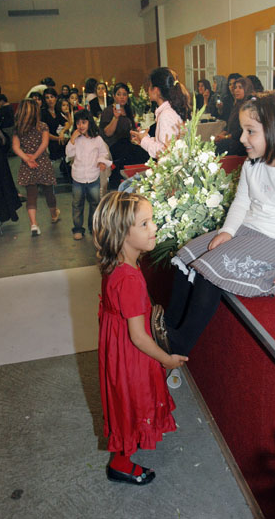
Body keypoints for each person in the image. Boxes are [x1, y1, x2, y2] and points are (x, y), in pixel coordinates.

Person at [151, 91, 275, 357]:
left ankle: (179, 343)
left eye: (250, 131)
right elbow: (241, 203)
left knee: (211, 271)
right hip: (249, 232)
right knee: (187, 255)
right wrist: (228, 231)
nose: (242, 138)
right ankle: (170, 326)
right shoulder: (253, 165)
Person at [93, 191, 188, 485]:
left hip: (115, 348)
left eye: (152, 221)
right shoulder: (131, 278)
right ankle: (120, 464)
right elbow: (138, 336)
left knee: (123, 402)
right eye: (144, 224)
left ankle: (123, 454)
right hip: (130, 355)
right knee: (133, 403)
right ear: (123, 234)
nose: (154, 228)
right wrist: (166, 359)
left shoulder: (117, 265)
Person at [12, 99, 60, 236]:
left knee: (31, 196)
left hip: (27, 166)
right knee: (48, 192)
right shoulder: (43, 126)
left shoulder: (18, 128)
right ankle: (54, 214)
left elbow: (15, 147)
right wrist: (35, 157)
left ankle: (34, 224)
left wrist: (27, 158)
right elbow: (45, 144)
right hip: (43, 163)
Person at [66, 109, 112, 240]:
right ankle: (78, 228)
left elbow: (103, 153)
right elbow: (69, 154)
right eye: (78, 123)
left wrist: (102, 162)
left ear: (89, 123)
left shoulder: (97, 139)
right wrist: (72, 139)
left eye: (83, 122)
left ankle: (93, 227)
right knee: (77, 204)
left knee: (95, 203)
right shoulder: (76, 140)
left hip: (93, 177)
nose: (80, 126)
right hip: (78, 178)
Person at [130, 67, 190, 159]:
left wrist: (144, 139)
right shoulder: (171, 109)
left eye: (150, 86)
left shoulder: (166, 115)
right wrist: (143, 139)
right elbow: (166, 143)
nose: (148, 90)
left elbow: (165, 152)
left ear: (156, 90)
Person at [99, 83, 149, 189]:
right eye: (119, 94)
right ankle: (123, 182)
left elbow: (131, 129)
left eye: (124, 94)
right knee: (131, 154)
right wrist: (115, 118)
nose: (122, 97)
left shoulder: (128, 110)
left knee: (145, 152)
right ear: (114, 96)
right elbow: (108, 133)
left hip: (127, 143)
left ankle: (138, 183)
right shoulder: (109, 111)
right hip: (114, 144)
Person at [215, 77, 255, 156]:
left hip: (241, 142)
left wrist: (226, 137)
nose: (236, 90)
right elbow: (230, 124)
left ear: (246, 89)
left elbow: (241, 131)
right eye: (235, 87)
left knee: (222, 145)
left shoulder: (249, 106)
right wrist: (222, 134)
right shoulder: (236, 105)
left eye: (240, 87)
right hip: (231, 138)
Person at [41, 87, 65, 161]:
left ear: (56, 98)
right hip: (47, 140)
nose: (50, 99)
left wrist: (62, 132)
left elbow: (66, 123)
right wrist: (58, 138)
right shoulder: (43, 113)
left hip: (56, 137)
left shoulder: (56, 110)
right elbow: (44, 133)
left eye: (52, 97)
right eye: (47, 98)